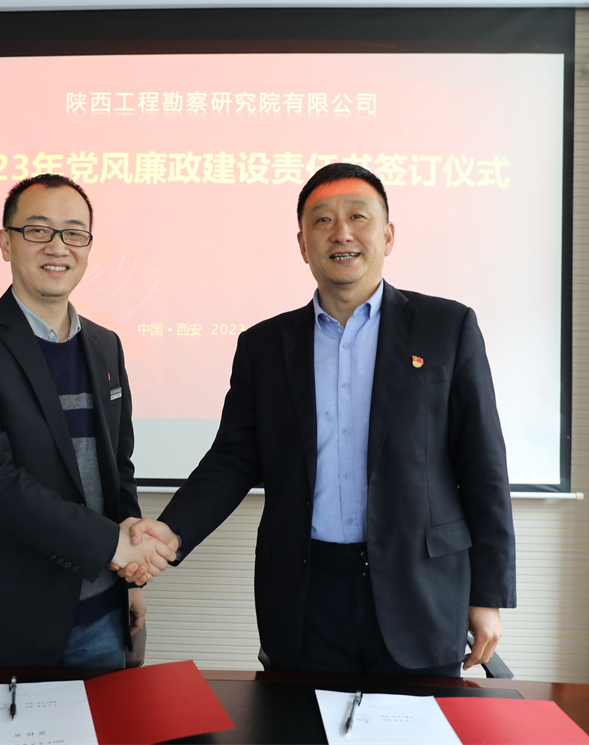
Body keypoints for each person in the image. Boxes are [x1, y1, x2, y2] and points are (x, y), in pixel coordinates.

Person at [115, 163, 516, 675]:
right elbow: (233, 459)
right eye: (323, 220)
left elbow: (483, 465)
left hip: (420, 590)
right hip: (305, 594)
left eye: (358, 217)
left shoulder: (447, 327)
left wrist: (487, 593)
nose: (341, 232)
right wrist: (170, 533)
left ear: (388, 235)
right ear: (303, 244)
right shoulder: (264, 346)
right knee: (299, 717)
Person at [0, 174, 175, 668]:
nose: (58, 247)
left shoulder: (105, 344)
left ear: (89, 246)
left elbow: (118, 467)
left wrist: (130, 578)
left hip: (102, 614)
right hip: (5, 616)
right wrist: (111, 545)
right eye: (38, 230)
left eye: (74, 233)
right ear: (5, 242)